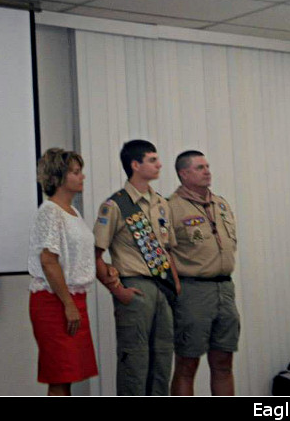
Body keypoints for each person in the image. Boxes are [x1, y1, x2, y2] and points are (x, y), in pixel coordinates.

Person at [93, 139, 181, 395]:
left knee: (163, 359)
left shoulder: (162, 204)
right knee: (135, 360)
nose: (159, 164)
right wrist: (117, 290)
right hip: (135, 287)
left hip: (163, 288)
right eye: (152, 160)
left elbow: (167, 251)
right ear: (135, 165)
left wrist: (175, 285)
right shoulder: (115, 205)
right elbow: (96, 255)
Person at [28, 148, 116, 396]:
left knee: (70, 374)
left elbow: (75, 256)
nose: (82, 177)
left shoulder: (73, 212)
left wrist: (107, 269)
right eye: (76, 173)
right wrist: (67, 303)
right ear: (59, 177)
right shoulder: (50, 211)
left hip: (74, 299)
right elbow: (48, 260)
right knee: (60, 375)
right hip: (54, 301)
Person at [168, 150, 240, 396]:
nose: (207, 171)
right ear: (183, 173)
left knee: (223, 362)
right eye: (199, 167)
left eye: (207, 166)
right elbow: (164, 253)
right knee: (187, 364)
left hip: (225, 289)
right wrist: (176, 287)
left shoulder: (220, 204)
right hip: (193, 291)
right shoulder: (171, 208)